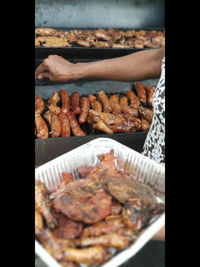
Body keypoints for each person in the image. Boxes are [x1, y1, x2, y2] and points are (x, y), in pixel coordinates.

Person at [35, 46, 165, 241]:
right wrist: (74, 70)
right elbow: (157, 60)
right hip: (144, 191)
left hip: (145, 222)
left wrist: (111, 227)